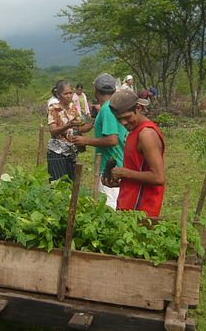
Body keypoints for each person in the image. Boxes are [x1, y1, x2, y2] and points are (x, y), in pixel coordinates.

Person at [105, 89, 165, 223]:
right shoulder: (134, 131)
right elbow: (139, 171)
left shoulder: (146, 134)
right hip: (129, 206)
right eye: (119, 119)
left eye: (127, 117)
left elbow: (158, 177)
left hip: (142, 212)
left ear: (138, 108)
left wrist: (124, 173)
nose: (123, 123)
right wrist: (120, 181)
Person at [71, 74, 127, 208]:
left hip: (110, 167)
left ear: (96, 91)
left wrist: (86, 141)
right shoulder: (113, 106)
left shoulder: (107, 109)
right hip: (119, 161)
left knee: (109, 206)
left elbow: (112, 139)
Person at [46, 80, 80, 181]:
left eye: (70, 93)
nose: (69, 96)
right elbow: (53, 131)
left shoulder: (72, 107)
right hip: (57, 151)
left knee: (71, 183)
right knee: (58, 184)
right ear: (59, 94)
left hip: (71, 151)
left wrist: (92, 124)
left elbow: (79, 126)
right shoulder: (54, 108)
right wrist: (67, 126)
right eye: (65, 93)